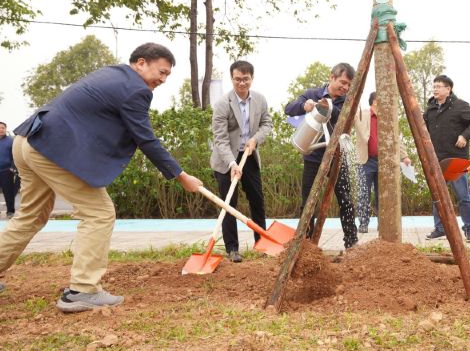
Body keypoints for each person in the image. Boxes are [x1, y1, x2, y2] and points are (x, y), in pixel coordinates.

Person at [0, 43, 203, 311]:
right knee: (99, 213)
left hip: (28, 141)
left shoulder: (112, 74)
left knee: (31, 215)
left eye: (167, 75)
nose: (163, 80)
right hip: (49, 148)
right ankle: (82, 290)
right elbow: (146, 139)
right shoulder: (136, 89)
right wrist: (180, 175)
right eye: (162, 72)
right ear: (141, 63)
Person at [285, 63, 359, 249]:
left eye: (348, 85)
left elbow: (345, 119)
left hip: (337, 156)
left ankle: (351, 242)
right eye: (342, 82)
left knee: (345, 199)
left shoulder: (347, 101)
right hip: (313, 156)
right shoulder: (313, 94)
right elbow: (289, 108)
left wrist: (329, 107)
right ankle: (305, 243)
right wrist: (304, 105)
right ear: (332, 77)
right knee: (308, 201)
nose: (345, 87)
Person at [210, 61, 273, 262]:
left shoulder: (260, 100)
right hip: (225, 160)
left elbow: (267, 123)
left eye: (246, 79)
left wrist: (255, 139)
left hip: (249, 155)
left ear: (252, 78)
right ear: (232, 79)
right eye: (237, 79)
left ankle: (262, 243)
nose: (242, 83)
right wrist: (232, 163)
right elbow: (220, 139)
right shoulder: (222, 103)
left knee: (257, 201)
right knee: (229, 204)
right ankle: (232, 249)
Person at [423, 75, 470, 243]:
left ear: (448, 89)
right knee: (438, 196)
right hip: (437, 159)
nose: (435, 89)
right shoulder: (430, 110)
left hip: (457, 159)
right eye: (434, 86)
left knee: (463, 196)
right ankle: (440, 228)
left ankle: (469, 230)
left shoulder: (460, 106)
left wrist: (464, 136)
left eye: (439, 86)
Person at [354, 92, 411, 233]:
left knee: (383, 195)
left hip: (384, 162)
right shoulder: (362, 114)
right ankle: (363, 223)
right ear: (375, 101)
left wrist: (404, 156)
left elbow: (396, 138)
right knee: (363, 193)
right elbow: (351, 116)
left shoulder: (388, 117)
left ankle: (383, 224)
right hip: (365, 161)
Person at [0, 121, 20, 219]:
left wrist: (13, 168)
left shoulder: (11, 141)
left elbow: (15, 155)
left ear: (5, 129)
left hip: (6, 171)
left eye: (2, 128)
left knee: (8, 193)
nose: (1, 129)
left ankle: (10, 211)